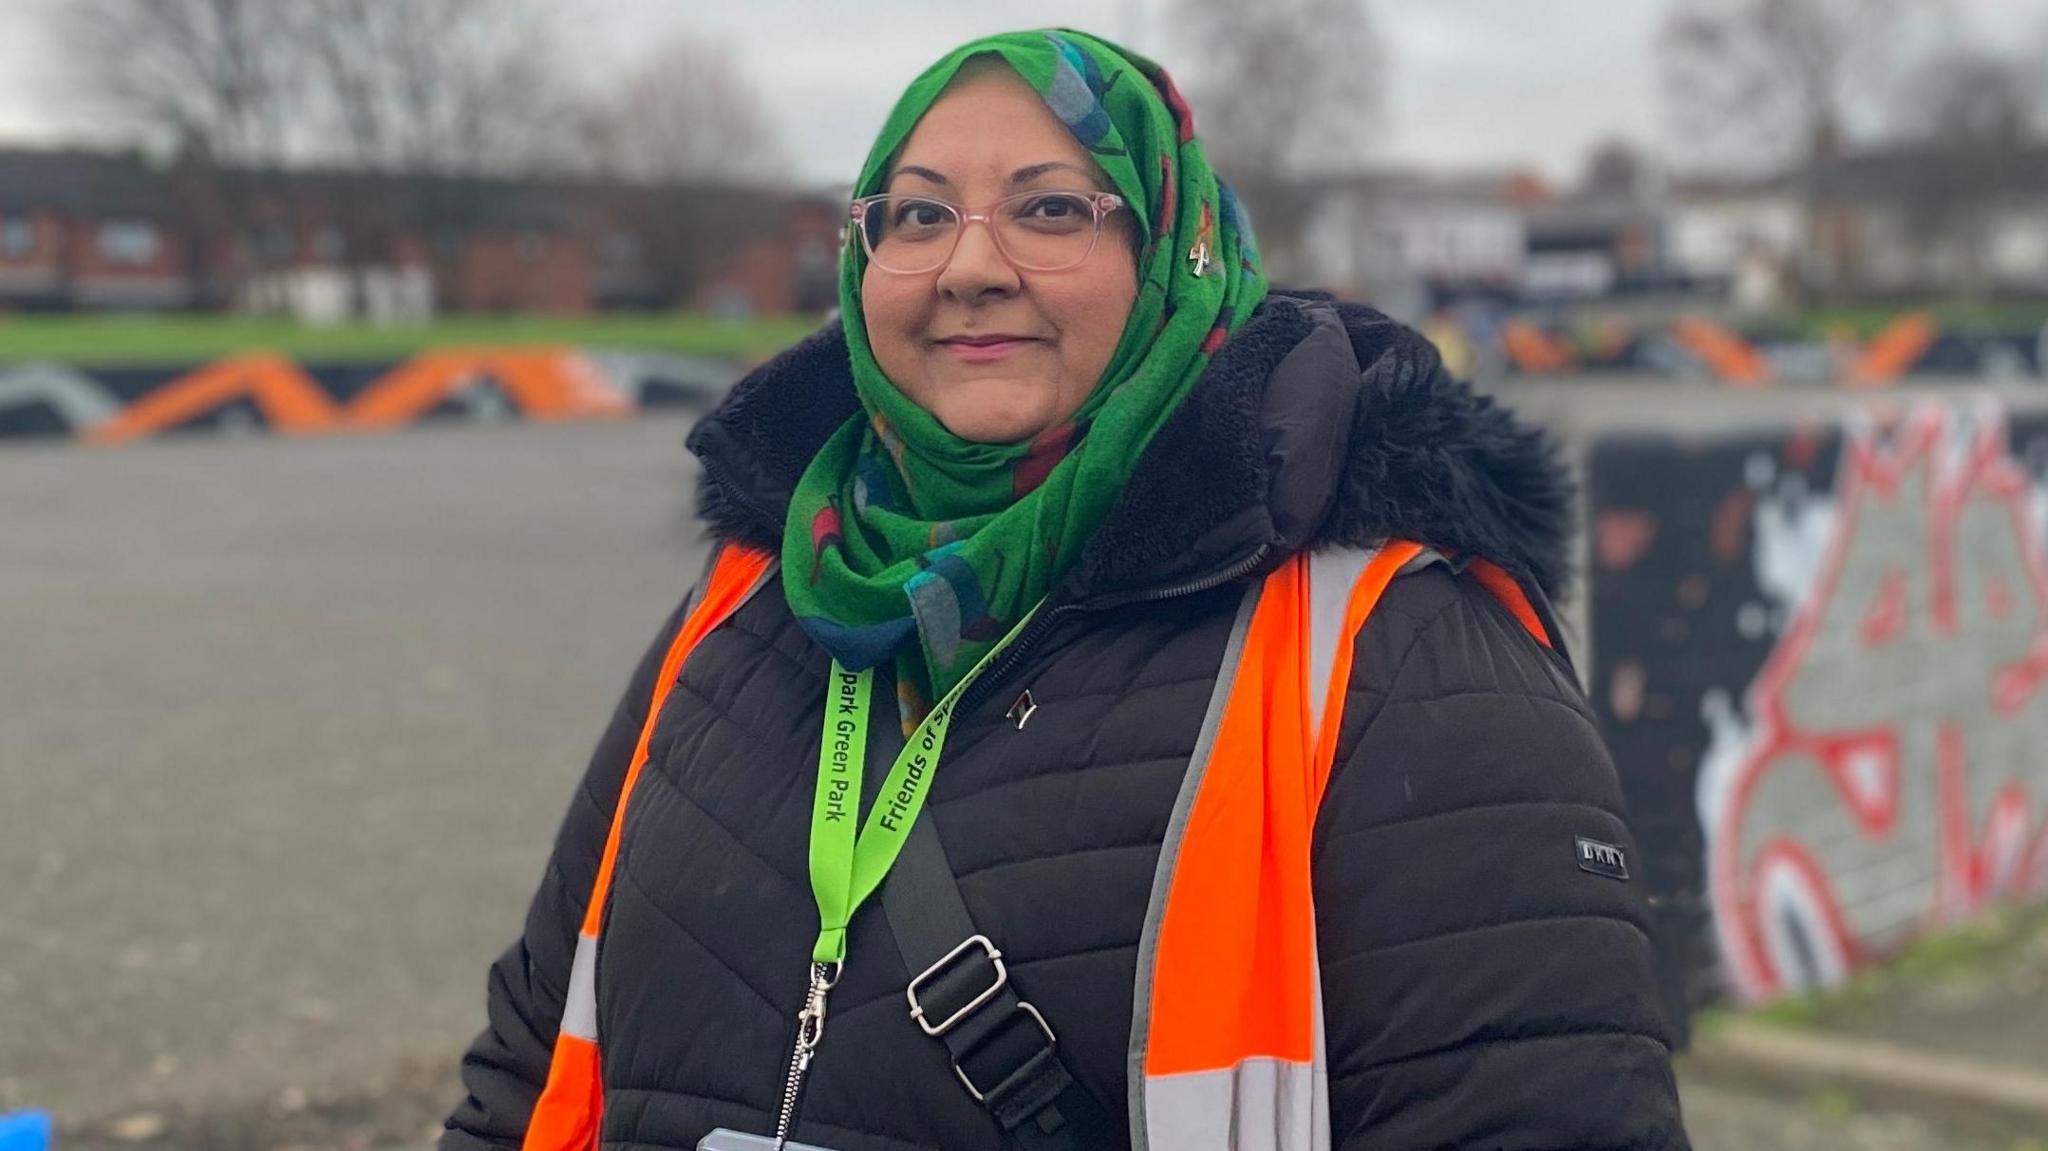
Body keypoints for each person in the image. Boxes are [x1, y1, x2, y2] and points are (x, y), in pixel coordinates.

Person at [442, 29, 1688, 1151]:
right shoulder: (747, 601)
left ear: (1174, 256)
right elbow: (530, 1054)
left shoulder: (1393, 650)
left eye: (1049, 210)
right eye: (917, 216)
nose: (966, 267)